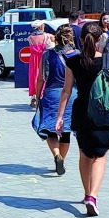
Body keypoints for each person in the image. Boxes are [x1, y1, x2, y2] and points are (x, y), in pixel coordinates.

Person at [55, 23, 109, 217]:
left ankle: (86, 193)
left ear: (81, 39)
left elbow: (66, 91)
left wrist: (60, 116)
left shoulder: (73, 62)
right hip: (104, 113)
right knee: (100, 157)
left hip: (82, 112)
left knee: (85, 154)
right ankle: (93, 196)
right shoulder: (108, 61)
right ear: (100, 39)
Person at [34, 24, 76, 174]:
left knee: (50, 130)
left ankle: (57, 155)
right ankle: (62, 161)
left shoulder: (48, 54)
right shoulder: (77, 54)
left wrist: (37, 95)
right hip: (71, 96)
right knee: (66, 131)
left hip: (52, 94)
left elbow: (41, 78)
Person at [27, 21, 51, 106]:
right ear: (41, 27)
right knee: (43, 76)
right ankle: (41, 95)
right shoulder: (46, 36)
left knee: (34, 77)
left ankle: (33, 96)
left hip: (33, 59)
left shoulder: (30, 38)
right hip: (43, 57)